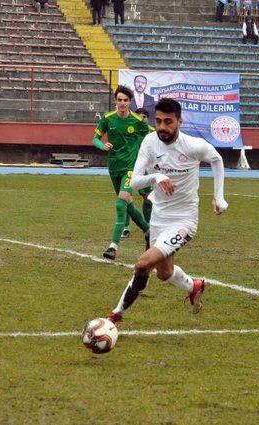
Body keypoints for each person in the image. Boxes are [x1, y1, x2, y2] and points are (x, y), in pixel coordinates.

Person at [106, 98, 228, 324]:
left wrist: (218, 196)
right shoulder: (149, 142)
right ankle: (195, 286)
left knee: (143, 264)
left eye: (168, 122)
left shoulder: (193, 145)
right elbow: (134, 182)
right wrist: (157, 176)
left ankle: (115, 315)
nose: (162, 126)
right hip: (158, 217)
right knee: (164, 273)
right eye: (159, 121)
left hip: (184, 221)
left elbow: (216, 159)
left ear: (179, 121)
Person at [93, 85, 150, 260]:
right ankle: (148, 230)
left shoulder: (138, 121)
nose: (122, 103)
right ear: (115, 101)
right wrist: (103, 145)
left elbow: (148, 139)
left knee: (120, 204)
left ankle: (113, 247)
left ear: (130, 102)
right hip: (114, 167)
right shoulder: (108, 119)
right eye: (119, 100)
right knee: (128, 204)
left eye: (125, 100)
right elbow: (95, 138)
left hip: (131, 169)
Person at [121, 107, 155, 239]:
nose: (142, 119)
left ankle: (148, 226)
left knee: (148, 198)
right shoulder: (130, 130)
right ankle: (125, 228)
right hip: (130, 168)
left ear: (147, 118)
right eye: (139, 116)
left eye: (144, 117)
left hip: (146, 170)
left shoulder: (152, 133)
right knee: (126, 197)